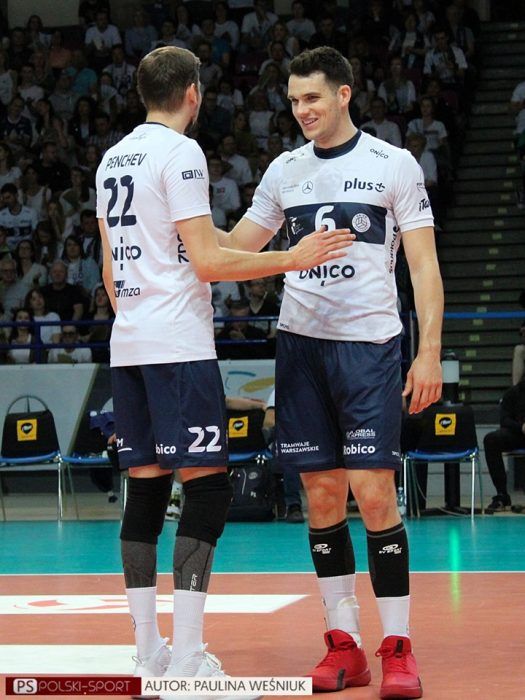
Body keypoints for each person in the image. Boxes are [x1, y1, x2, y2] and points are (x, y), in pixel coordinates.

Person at [95, 45, 352, 698]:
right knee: (206, 491)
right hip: (177, 346)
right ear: (193, 93)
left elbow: (109, 268)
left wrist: (141, 316)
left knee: (145, 491)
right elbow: (209, 262)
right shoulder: (180, 153)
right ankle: (186, 656)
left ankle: (148, 653)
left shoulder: (111, 158)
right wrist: (293, 258)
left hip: (129, 342)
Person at [219, 46, 443, 699]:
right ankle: (343, 644)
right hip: (301, 347)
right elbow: (235, 248)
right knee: (320, 496)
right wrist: (177, 231)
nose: (302, 110)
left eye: (312, 97)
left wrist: (429, 350)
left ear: (344, 93)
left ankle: (397, 647)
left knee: (373, 494)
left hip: (368, 347)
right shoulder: (284, 171)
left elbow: (423, 266)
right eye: (293, 101)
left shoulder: (391, 164)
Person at [483, 379, 525, 513]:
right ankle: (502, 495)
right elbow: (505, 420)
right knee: (491, 440)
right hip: (518, 433)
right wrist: (521, 426)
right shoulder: (513, 393)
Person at [264, 388, 304, 523]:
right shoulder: (281, 389)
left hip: (315, 436)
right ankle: (294, 506)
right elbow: (269, 421)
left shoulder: (320, 388)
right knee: (290, 449)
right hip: (291, 437)